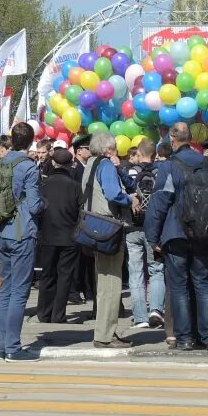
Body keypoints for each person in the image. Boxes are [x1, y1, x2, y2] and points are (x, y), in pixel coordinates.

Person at [145, 122, 208, 352]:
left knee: (179, 287)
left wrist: (152, 237)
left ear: (173, 139)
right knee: (204, 284)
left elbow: (160, 202)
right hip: (205, 234)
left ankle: (185, 338)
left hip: (176, 234)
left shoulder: (169, 166)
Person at [0, 122, 44, 361]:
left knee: (5, 290)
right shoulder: (29, 167)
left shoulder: (0, 161)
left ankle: (2, 346)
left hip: (0, 232)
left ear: (11, 140)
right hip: (21, 233)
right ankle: (13, 347)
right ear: (31, 142)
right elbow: (34, 205)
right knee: (19, 292)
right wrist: (45, 203)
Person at [82, 130, 133, 348]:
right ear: (107, 150)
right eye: (113, 149)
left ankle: (102, 331)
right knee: (112, 282)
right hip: (109, 226)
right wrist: (130, 199)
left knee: (102, 281)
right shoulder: (105, 165)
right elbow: (113, 194)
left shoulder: (90, 164)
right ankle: (106, 334)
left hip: (92, 225)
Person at [35, 147, 82, 324]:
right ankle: (58, 314)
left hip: (47, 235)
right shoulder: (75, 186)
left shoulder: (43, 184)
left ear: (53, 162)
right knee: (65, 276)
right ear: (70, 164)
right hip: (69, 236)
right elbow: (80, 211)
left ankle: (44, 313)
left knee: (47, 274)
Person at [121, 138, 164, 328]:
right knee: (156, 269)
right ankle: (156, 310)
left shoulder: (130, 172)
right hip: (153, 227)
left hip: (132, 226)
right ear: (154, 154)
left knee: (135, 271)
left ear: (138, 153)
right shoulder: (160, 172)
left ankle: (140, 317)